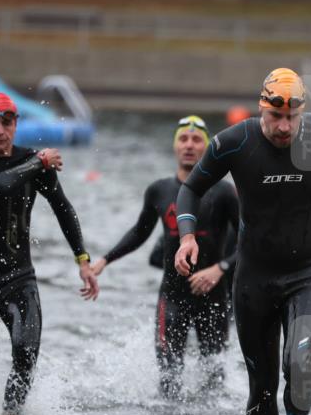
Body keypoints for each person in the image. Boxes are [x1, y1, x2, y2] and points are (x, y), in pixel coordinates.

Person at [174, 68, 311, 415]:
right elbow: (191, 188)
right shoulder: (233, 142)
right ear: (261, 108)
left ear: (303, 112)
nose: (284, 127)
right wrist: (187, 237)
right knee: (263, 386)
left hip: (308, 272)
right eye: (275, 117)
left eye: (292, 117)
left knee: (301, 367)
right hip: (254, 278)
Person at [0, 92, 98, 415]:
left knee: (26, 352)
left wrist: (82, 259)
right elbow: (0, 184)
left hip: (18, 277)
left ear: (16, 125)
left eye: (6, 122)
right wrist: (39, 163)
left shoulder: (32, 161)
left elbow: (63, 208)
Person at [91, 115, 238, 398]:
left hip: (214, 296)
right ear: (175, 146)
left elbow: (249, 239)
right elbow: (139, 232)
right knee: (168, 381)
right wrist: (104, 260)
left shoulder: (224, 192)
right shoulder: (159, 190)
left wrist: (219, 268)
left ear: (206, 147)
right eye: (183, 139)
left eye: (196, 140)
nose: (189, 145)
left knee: (214, 383)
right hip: (172, 297)